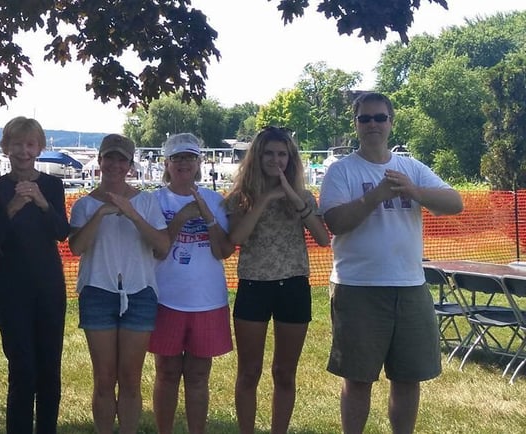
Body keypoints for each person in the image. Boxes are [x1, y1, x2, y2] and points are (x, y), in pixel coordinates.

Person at [319, 92, 463, 434]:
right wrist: (375, 196)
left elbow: (455, 202)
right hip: (358, 287)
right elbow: (335, 222)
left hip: (410, 285)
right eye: (365, 118)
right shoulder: (341, 171)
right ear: (356, 125)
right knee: (358, 379)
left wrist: (415, 191)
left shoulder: (411, 168)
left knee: (408, 377)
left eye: (380, 118)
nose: (373, 124)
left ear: (391, 123)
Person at [224, 127, 330, 434]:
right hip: (253, 286)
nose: (276, 160)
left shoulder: (303, 197)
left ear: (291, 159)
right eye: (269, 153)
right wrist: (265, 198)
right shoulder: (239, 198)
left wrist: (292, 196)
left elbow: (323, 238)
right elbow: (237, 238)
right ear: (257, 157)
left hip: (293, 287)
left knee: (284, 373)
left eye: (282, 154)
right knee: (249, 372)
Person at [68, 134, 169, 434]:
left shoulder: (146, 201)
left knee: (130, 378)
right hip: (97, 293)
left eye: (121, 159)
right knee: (103, 379)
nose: (114, 165)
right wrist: (101, 213)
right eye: (109, 158)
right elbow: (77, 247)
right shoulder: (84, 205)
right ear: (99, 161)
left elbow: (162, 246)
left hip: (139, 293)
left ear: (130, 165)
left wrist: (133, 215)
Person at [0, 117, 70, 434]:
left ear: (40, 148)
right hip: (11, 286)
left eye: (30, 144)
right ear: (5, 147)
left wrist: (43, 204)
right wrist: (14, 206)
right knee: (22, 369)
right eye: (17, 144)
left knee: (49, 369)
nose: (23, 151)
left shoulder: (53, 186)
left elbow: (62, 232)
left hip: (48, 285)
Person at [148, 133, 234, 434]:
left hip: (207, 300)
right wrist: (181, 217)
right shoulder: (154, 201)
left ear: (199, 163)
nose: (184, 163)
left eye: (189, 157)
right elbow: (157, 250)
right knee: (166, 372)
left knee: (198, 375)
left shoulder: (215, 200)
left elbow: (223, 251)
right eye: (177, 158)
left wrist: (208, 218)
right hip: (165, 299)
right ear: (166, 164)